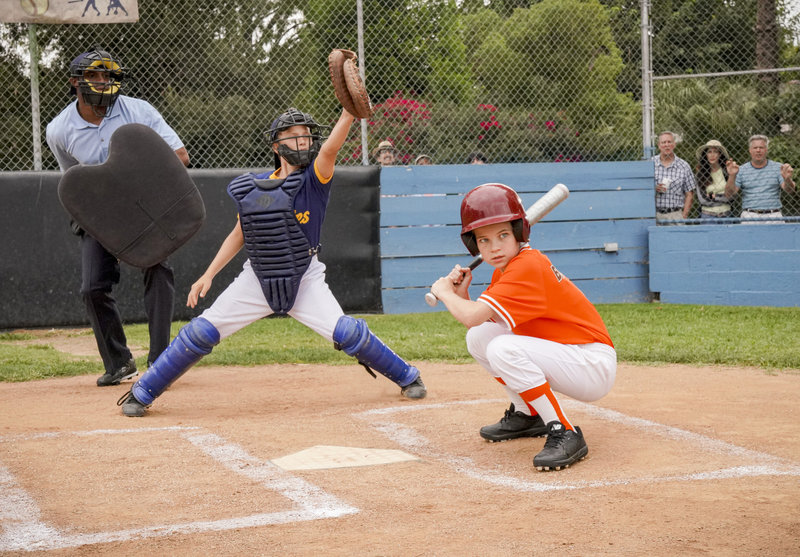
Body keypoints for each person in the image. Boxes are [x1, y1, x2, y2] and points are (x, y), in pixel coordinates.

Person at [117, 106, 427, 417]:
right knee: (201, 332)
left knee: (347, 333)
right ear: (276, 146)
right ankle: (143, 391)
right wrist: (208, 274)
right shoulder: (256, 188)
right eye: (292, 136)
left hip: (303, 274)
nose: (302, 140)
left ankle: (407, 376)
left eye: (305, 135)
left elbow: (331, 148)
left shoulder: (316, 177)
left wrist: (348, 114)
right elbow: (238, 234)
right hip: (258, 276)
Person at [430, 183, 616, 471]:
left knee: (503, 348)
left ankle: (565, 431)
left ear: (519, 233)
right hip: (566, 353)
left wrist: (444, 293)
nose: (494, 247)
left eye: (503, 235)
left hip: (589, 361)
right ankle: (528, 413)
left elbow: (471, 315)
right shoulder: (506, 269)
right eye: (483, 240)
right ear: (473, 244)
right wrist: (461, 295)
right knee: (480, 338)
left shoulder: (527, 266)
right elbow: (482, 321)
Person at [46, 48, 189, 387]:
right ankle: (119, 362)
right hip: (102, 211)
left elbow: (180, 157)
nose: (103, 82)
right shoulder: (58, 130)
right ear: (75, 82)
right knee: (92, 287)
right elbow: (74, 180)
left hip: (145, 204)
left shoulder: (139, 111)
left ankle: (161, 360)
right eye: (94, 76)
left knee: (158, 268)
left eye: (108, 76)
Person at [724, 135, 796, 223]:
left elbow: (790, 190)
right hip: (749, 215)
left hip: (774, 215)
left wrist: (787, 179)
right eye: (755, 148)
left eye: (761, 147)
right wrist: (732, 176)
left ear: (766, 150)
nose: (758, 150)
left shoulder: (778, 168)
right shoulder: (740, 170)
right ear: (750, 150)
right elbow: (729, 194)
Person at [652, 131, 695, 223]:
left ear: (674, 144)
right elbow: (642, 187)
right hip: (653, 214)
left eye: (669, 142)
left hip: (675, 214)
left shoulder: (684, 166)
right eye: (664, 142)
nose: (667, 145)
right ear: (659, 145)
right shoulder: (650, 163)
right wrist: (654, 188)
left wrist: (683, 216)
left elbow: (690, 194)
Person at [695, 140, 732, 219]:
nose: (712, 155)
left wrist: (712, 196)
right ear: (705, 155)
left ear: (720, 154)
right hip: (707, 215)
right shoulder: (700, 174)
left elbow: (731, 196)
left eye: (715, 152)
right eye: (709, 152)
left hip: (726, 215)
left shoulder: (727, 172)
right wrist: (722, 197)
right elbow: (703, 200)